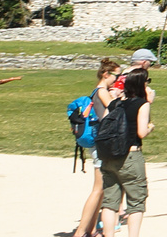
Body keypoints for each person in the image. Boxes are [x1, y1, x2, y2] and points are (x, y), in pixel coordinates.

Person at [96, 63, 154, 237]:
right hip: (130, 155)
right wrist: (151, 127)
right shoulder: (142, 104)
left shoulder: (114, 104)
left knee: (110, 202)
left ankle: (108, 234)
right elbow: (141, 132)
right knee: (136, 202)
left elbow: (104, 126)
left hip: (109, 157)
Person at [68, 59, 121, 237]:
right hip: (101, 144)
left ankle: (90, 229)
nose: (117, 79)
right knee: (97, 189)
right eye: (116, 75)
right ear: (106, 75)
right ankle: (80, 231)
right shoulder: (102, 92)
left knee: (102, 189)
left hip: (97, 142)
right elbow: (112, 114)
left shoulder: (96, 91)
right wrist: (117, 98)